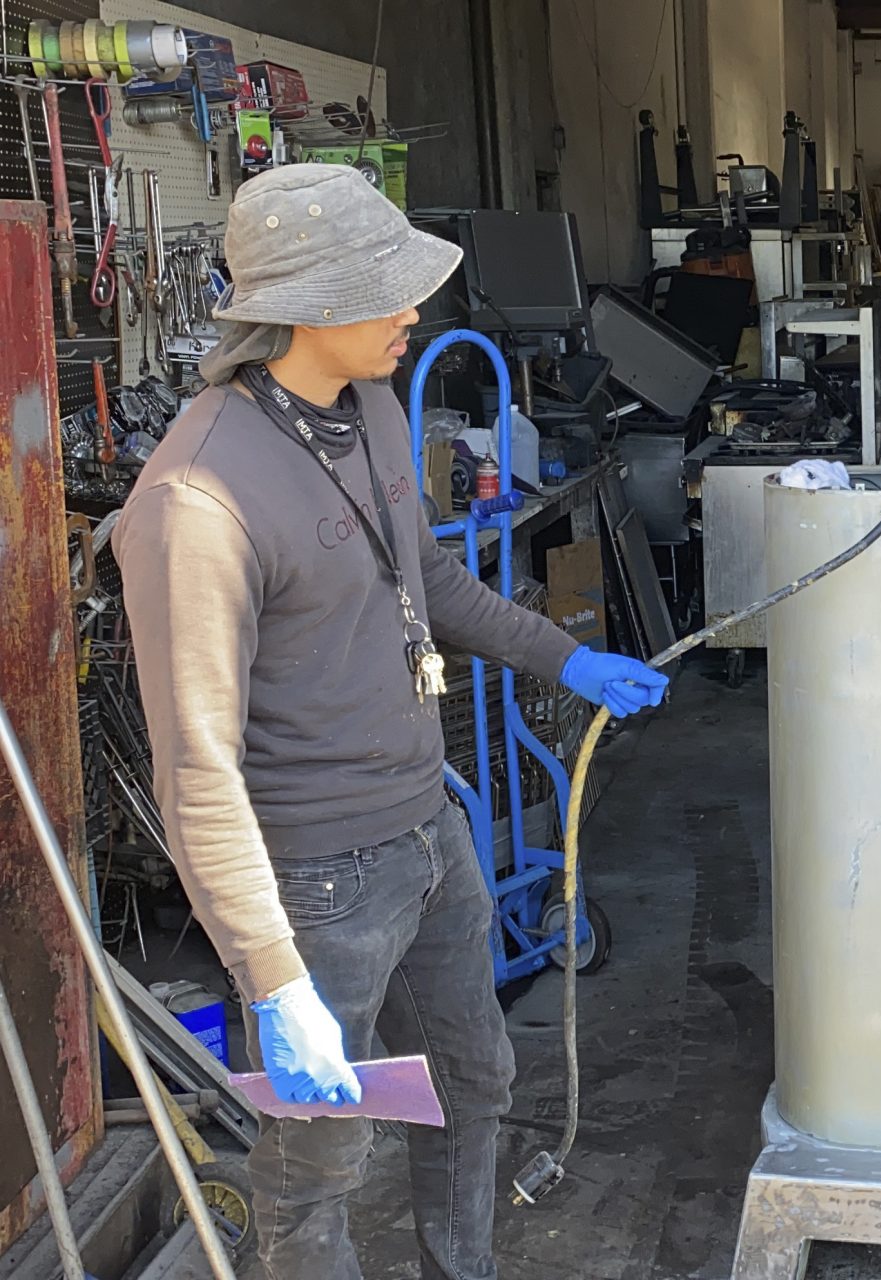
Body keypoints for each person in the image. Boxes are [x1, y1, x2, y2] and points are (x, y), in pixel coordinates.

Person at [112, 165, 667, 1279]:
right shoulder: (197, 500)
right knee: (321, 1153)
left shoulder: (366, 405)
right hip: (317, 876)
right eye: (388, 291)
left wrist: (569, 655)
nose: (415, 311)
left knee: (478, 1079)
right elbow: (198, 775)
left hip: (428, 829)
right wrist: (271, 980)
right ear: (308, 306)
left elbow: (430, 585)